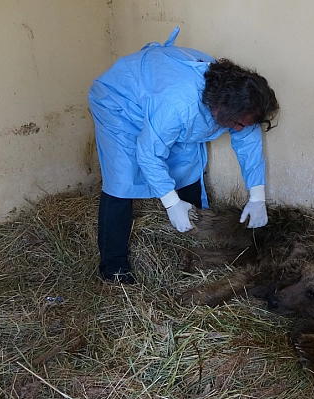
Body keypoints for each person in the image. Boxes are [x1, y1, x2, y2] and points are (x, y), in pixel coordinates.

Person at [88, 27, 279, 284]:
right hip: (120, 102)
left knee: (186, 165)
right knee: (122, 178)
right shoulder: (180, 106)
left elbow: (248, 143)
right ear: (222, 108)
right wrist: (170, 203)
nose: (238, 130)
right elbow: (148, 154)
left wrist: (257, 196)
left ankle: (193, 237)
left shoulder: (239, 102)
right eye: (237, 124)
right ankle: (113, 266)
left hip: (161, 96)